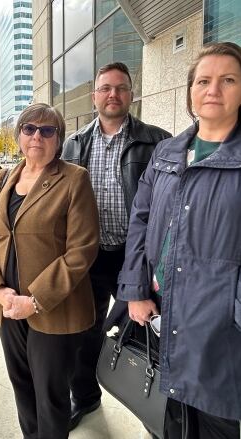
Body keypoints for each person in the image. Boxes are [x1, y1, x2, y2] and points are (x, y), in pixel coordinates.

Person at [119, 42, 241, 438]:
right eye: (203, 80)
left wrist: (236, 308)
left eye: (227, 80)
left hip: (219, 327)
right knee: (162, 418)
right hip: (158, 311)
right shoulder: (167, 152)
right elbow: (140, 220)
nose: (213, 90)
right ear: (191, 90)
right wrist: (136, 289)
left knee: (211, 425)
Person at [0, 103, 99, 439]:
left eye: (47, 130)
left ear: (59, 138)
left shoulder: (74, 179)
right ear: (19, 135)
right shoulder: (0, 179)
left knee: (51, 397)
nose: (36, 136)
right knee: (22, 388)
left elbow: (81, 250)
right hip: (8, 305)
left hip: (51, 308)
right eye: (29, 129)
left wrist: (35, 300)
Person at [61, 61, 171, 430]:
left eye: (121, 88)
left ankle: (155, 407)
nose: (113, 94)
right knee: (84, 332)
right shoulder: (73, 144)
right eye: (105, 88)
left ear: (131, 94)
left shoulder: (158, 141)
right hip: (89, 257)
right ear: (94, 97)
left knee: (150, 331)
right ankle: (86, 398)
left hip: (136, 257)